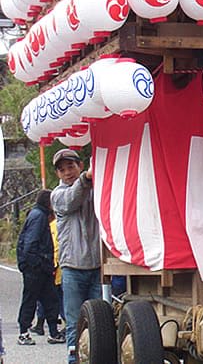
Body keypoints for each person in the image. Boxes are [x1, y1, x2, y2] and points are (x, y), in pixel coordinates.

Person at [51, 149, 101, 364]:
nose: (67, 172)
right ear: (58, 175)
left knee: (101, 322)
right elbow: (72, 199)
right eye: (62, 170)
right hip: (72, 268)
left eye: (71, 166)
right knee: (74, 323)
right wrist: (86, 179)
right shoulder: (58, 195)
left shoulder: (95, 190)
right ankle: (74, 360)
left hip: (99, 267)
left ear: (80, 165)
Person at [16, 189, 65, 346]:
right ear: (49, 202)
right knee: (31, 300)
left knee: (50, 300)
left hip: (39, 267)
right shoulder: (39, 217)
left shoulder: (38, 215)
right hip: (36, 268)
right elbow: (31, 243)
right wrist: (39, 264)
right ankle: (24, 333)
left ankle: (53, 332)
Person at [32, 213, 64, 336]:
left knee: (53, 297)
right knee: (52, 296)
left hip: (54, 266)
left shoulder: (52, 226)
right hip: (57, 265)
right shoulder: (57, 224)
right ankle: (42, 324)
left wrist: (53, 263)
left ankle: (41, 323)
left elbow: (55, 247)